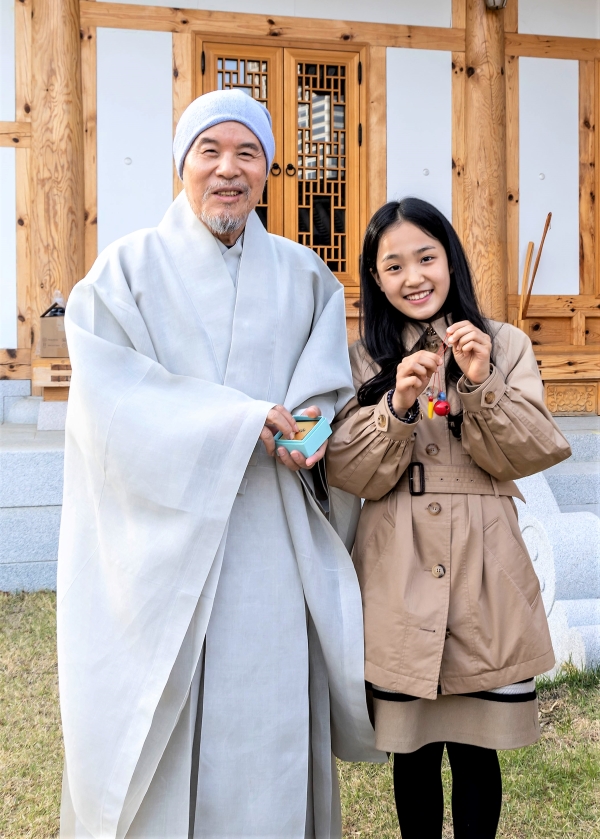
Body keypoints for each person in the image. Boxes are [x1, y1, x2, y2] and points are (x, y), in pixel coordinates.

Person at [57, 89, 381, 839]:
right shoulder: (124, 272)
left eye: (248, 153)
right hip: (162, 543)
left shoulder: (306, 277)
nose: (227, 170)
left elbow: (321, 390)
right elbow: (110, 404)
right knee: (159, 721)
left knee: (262, 722)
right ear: (183, 164)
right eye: (210, 151)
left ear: (268, 170)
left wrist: (310, 428)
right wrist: (234, 422)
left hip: (269, 537)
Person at [325, 198, 572, 839]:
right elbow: (351, 471)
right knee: (412, 752)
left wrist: (482, 384)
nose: (414, 277)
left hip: (484, 566)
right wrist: (399, 405)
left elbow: (530, 450)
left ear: (450, 260)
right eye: (394, 265)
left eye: (427, 257)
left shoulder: (506, 344)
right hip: (398, 563)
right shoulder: (362, 359)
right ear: (377, 281)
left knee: (475, 749)